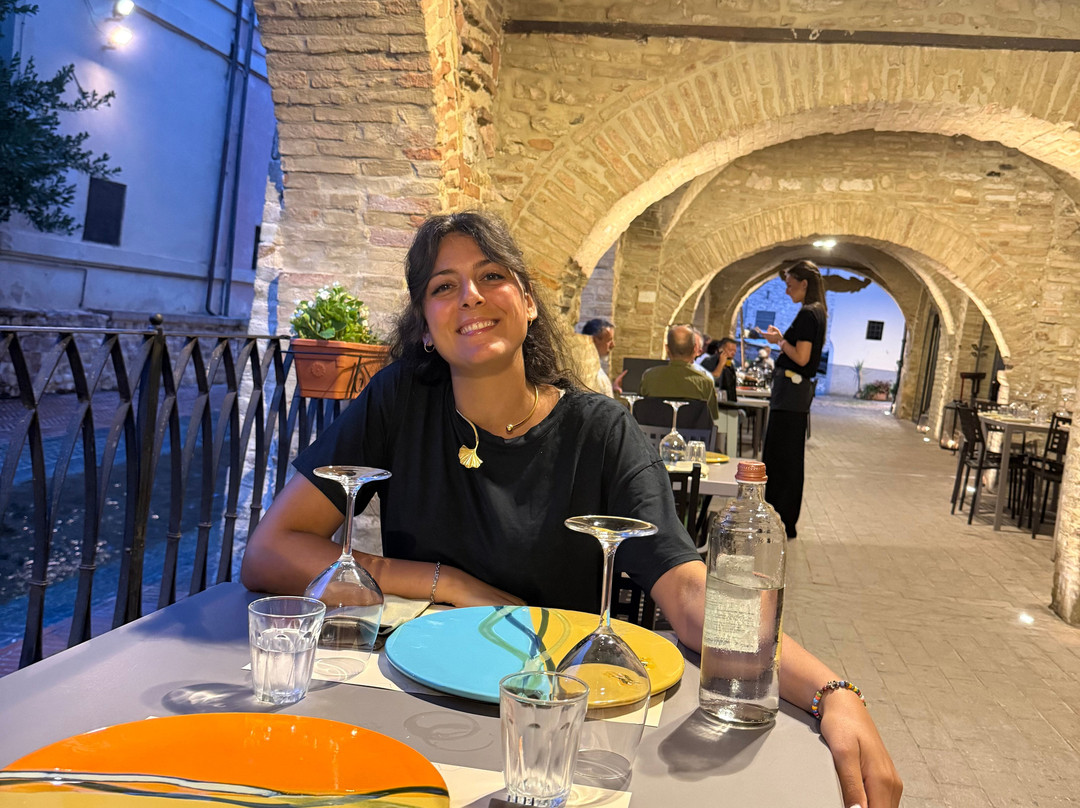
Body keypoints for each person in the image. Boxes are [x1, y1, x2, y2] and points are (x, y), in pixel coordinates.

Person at [241, 213, 900, 808]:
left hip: (554, 726)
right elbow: (271, 552)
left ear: (528, 303)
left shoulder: (601, 432)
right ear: (426, 327)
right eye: (444, 286)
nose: (469, 296)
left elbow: (690, 593)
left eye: (491, 276)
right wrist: (452, 583)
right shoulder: (399, 400)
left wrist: (830, 692)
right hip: (411, 696)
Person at [762, 260, 828, 539]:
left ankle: (780, 517)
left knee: (781, 458)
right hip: (794, 397)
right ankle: (782, 518)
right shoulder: (817, 312)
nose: (787, 291)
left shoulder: (808, 314)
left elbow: (801, 357)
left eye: (790, 285)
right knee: (787, 457)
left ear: (804, 284)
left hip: (790, 396)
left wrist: (779, 341)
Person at [638, 325, 720, 422]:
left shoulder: (650, 377)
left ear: (667, 349)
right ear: (695, 349)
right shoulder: (706, 382)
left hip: (652, 431)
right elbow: (711, 417)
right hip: (692, 431)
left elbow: (640, 409)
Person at [580, 317, 626, 396]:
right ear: (594, 340)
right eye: (609, 340)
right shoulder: (585, 372)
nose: (613, 345)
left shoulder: (596, 368)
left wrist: (612, 388)